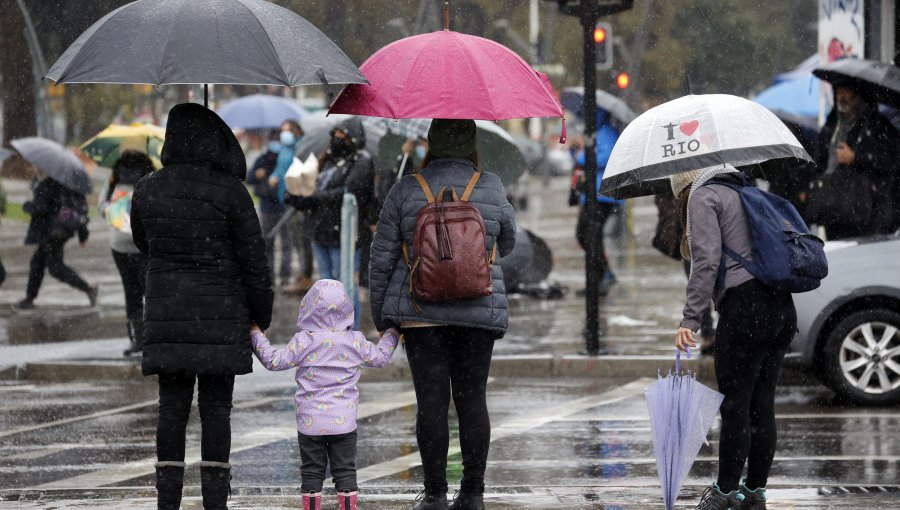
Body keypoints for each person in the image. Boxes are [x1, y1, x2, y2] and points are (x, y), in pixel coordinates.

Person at [131, 103, 274, 510]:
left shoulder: (148, 188)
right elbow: (254, 261)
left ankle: (168, 499)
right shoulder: (231, 192)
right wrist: (259, 314)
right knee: (216, 411)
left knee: (171, 410)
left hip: (168, 315)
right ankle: (215, 500)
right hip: (221, 317)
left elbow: (144, 243)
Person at [369, 119, 517, 510]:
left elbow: (381, 257)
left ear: (429, 144)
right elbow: (511, 239)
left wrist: (382, 316)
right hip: (478, 309)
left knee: (431, 402)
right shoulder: (491, 185)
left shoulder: (405, 188)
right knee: (472, 401)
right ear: (472, 145)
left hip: (421, 312)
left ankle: (434, 494)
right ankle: (472, 493)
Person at [672, 165, 796, 510]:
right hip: (781, 307)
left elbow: (706, 263)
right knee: (762, 404)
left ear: (682, 187)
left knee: (735, 405)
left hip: (745, 309)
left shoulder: (702, 196)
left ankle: (724, 493)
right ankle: (754, 491)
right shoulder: (747, 190)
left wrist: (690, 319)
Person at [249, 279, 399, 510]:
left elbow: (273, 361)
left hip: (310, 422)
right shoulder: (354, 341)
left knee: (311, 470)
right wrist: (392, 333)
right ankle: (347, 505)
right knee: (345, 469)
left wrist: (255, 334)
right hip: (344, 422)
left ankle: (311, 506)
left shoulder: (304, 341)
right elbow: (380, 358)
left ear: (308, 308)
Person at [287, 118, 375, 329]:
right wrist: (298, 196)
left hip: (344, 235)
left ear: (353, 139)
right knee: (326, 285)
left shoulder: (361, 161)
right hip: (320, 232)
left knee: (344, 286)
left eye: (342, 137)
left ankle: (350, 333)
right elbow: (313, 188)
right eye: (335, 135)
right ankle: (330, 331)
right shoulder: (327, 160)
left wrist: (315, 197)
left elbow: (349, 191)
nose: (337, 140)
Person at [811, 84, 900, 239]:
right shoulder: (833, 125)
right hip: (836, 210)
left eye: (846, 90)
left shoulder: (878, 125)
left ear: (858, 94)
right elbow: (820, 161)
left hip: (870, 212)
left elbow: (890, 161)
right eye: (837, 91)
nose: (841, 96)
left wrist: (855, 157)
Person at [98, 150, 154, 356]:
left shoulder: (114, 177)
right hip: (144, 245)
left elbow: (101, 205)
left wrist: (115, 211)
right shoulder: (150, 176)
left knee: (131, 292)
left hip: (119, 245)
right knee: (151, 292)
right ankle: (153, 337)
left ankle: (137, 339)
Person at [16, 175, 97, 310]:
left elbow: (40, 207)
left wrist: (27, 206)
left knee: (55, 268)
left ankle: (89, 289)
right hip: (61, 231)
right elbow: (76, 210)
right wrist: (83, 235)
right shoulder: (68, 183)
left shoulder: (48, 183)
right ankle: (29, 298)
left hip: (51, 233)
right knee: (37, 263)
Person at [570, 110, 622, 298]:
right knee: (588, 235)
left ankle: (604, 274)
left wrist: (582, 156)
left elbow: (603, 157)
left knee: (589, 234)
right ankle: (597, 279)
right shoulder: (597, 133)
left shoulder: (606, 132)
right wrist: (576, 151)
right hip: (593, 193)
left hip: (602, 194)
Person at [247, 130, 294, 287]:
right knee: (269, 243)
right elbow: (249, 177)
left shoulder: (287, 158)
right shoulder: (263, 159)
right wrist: (258, 174)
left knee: (285, 243)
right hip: (268, 207)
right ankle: (271, 275)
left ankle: (285, 275)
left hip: (284, 206)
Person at [276, 120, 317, 295]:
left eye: (288, 130)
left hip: (299, 201)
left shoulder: (302, 148)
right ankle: (302, 272)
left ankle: (306, 273)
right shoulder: (284, 149)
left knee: (303, 240)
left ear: (296, 131)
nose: (284, 134)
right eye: (282, 131)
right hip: (286, 199)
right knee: (296, 240)